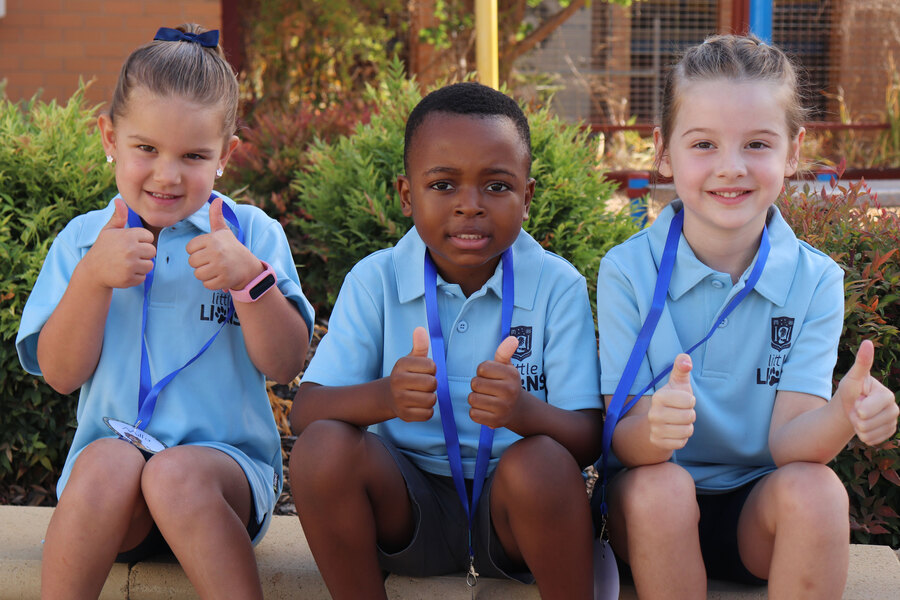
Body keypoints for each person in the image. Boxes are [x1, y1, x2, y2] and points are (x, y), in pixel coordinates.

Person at [593, 34, 899, 600]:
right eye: (703, 144)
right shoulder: (627, 271)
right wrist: (654, 429)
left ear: (794, 150)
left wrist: (844, 413)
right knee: (660, 490)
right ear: (663, 151)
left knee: (819, 491)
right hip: (650, 509)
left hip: (754, 518)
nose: (730, 168)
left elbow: (790, 445)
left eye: (757, 144)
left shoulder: (815, 281)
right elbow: (621, 443)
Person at [15, 24, 314, 600]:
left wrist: (249, 281)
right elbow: (59, 373)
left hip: (221, 481)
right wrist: (93, 279)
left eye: (194, 155)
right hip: (113, 501)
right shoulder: (84, 240)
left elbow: (285, 362)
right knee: (108, 461)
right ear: (109, 136)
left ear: (226, 154)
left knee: (175, 475)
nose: (167, 175)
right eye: (146, 148)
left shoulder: (251, 234)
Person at [288, 81, 604, 600]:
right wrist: (385, 397)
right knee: (322, 450)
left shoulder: (557, 285)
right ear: (407, 194)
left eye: (497, 186)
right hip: (404, 509)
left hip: (516, 522)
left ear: (526, 196)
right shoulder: (377, 279)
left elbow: (587, 439)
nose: (469, 206)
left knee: (543, 463)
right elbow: (307, 412)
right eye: (443, 185)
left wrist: (522, 412)